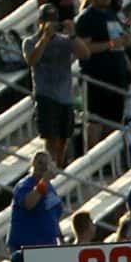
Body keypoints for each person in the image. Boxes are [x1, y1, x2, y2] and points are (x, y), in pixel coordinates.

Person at [74, 0, 130, 144]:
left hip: (117, 76)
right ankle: (93, 158)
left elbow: (120, 44)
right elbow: (84, 48)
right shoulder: (87, 18)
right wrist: (111, 44)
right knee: (96, 121)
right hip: (97, 77)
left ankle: (110, 158)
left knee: (115, 121)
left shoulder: (113, 14)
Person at [26, 9, 77, 162]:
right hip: (45, 95)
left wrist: (73, 33)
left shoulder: (64, 41)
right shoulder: (30, 41)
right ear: (39, 22)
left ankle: (58, 168)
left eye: (54, 20)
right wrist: (45, 38)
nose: (51, 24)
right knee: (51, 139)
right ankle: (50, 169)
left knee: (63, 139)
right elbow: (32, 60)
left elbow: (85, 53)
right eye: (47, 21)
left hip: (65, 96)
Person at [8, 151, 64, 252]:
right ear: (33, 164)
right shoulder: (25, 185)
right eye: (40, 163)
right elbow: (28, 203)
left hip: (48, 243)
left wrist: (60, 237)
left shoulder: (50, 188)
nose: (43, 167)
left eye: (47, 163)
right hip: (28, 244)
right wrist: (44, 181)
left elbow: (53, 215)